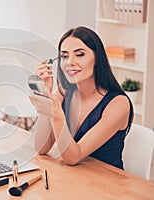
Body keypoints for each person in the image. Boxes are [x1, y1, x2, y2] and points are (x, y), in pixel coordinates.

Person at [30, 26, 133, 169]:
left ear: (97, 58)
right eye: (64, 56)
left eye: (79, 55)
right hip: (76, 179)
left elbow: (73, 157)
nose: (69, 62)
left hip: (107, 184)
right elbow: (41, 147)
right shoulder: (64, 92)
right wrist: (46, 94)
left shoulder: (119, 104)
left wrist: (56, 113)